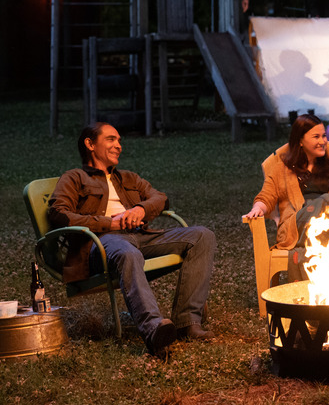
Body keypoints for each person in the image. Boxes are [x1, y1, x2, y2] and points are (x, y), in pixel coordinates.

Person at [48, 123, 217, 355]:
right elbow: (59, 213)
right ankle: (153, 329)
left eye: (119, 140)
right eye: (110, 140)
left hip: (141, 237)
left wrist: (140, 209)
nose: (118, 145)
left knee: (202, 236)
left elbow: (160, 198)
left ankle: (187, 322)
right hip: (102, 242)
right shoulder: (74, 178)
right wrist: (110, 223)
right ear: (89, 144)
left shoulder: (128, 178)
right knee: (127, 252)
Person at [243, 113, 329, 278]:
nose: (323, 141)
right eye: (316, 136)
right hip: (297, 229)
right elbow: (265, 197)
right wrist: (257, 208)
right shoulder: (281, 169)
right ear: (300, 141)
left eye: (324, 136)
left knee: (328, 201)